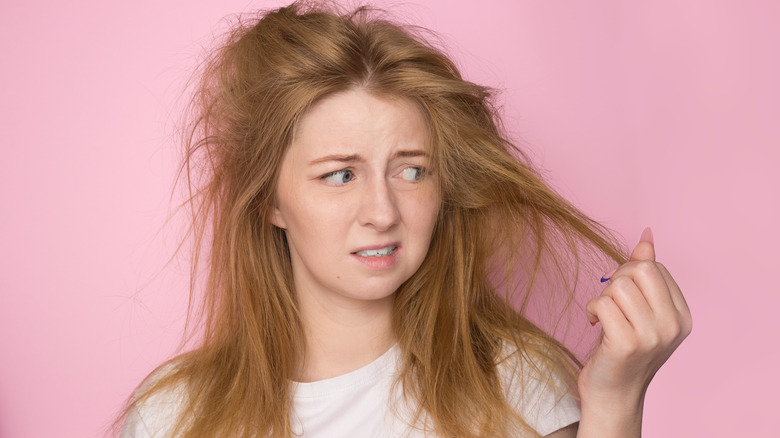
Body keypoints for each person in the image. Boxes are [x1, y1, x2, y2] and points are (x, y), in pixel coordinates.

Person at [119, 2, 692, 437]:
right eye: (340, 174)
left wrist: (617, 402)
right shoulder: (173, 415)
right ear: (271, 201)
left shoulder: (518, 384)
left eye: (411, 171)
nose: (382, 212)